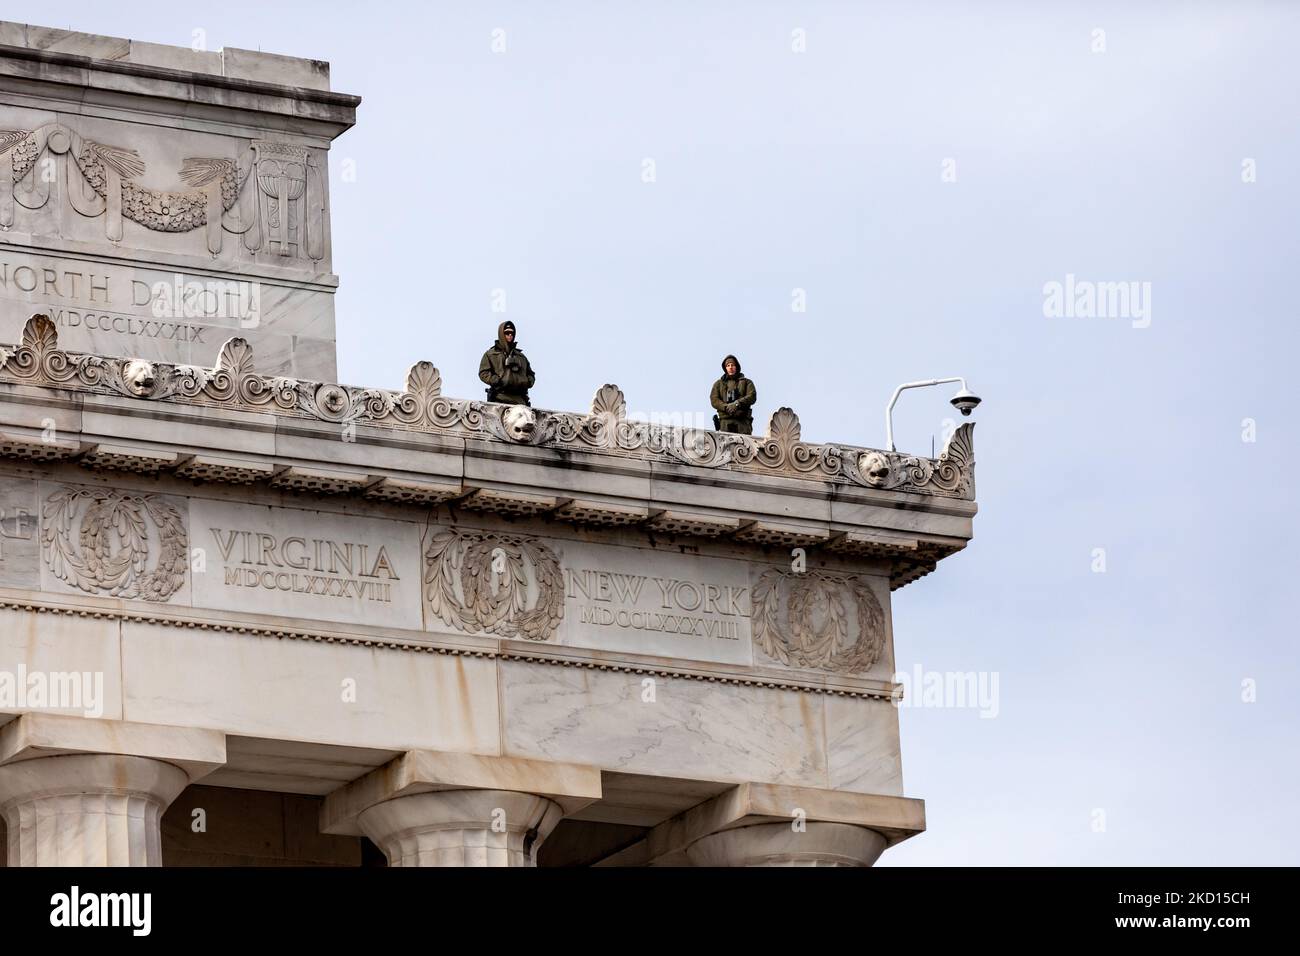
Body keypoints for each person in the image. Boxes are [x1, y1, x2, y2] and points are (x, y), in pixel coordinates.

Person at [478, 320, 536, 405]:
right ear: (501, 334)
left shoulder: (521, 357)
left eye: (512, 333)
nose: (510, 335)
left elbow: (531, 374)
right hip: (499, 397)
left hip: (520, 399)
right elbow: (483, 373)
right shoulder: (491, 354)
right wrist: (497, 380)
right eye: (507, 333)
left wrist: (526, 382)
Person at [710, 354, 757, 434]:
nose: (730, 367)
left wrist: (737, 403)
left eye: (732, 365)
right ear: (725, 368)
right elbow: (714, 399)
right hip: (725, 422)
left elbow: (752, 396)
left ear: (736, 367)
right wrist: (726, 407)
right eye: (728, 365)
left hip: (743, 422)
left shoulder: (747, 382)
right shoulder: (718, 384)